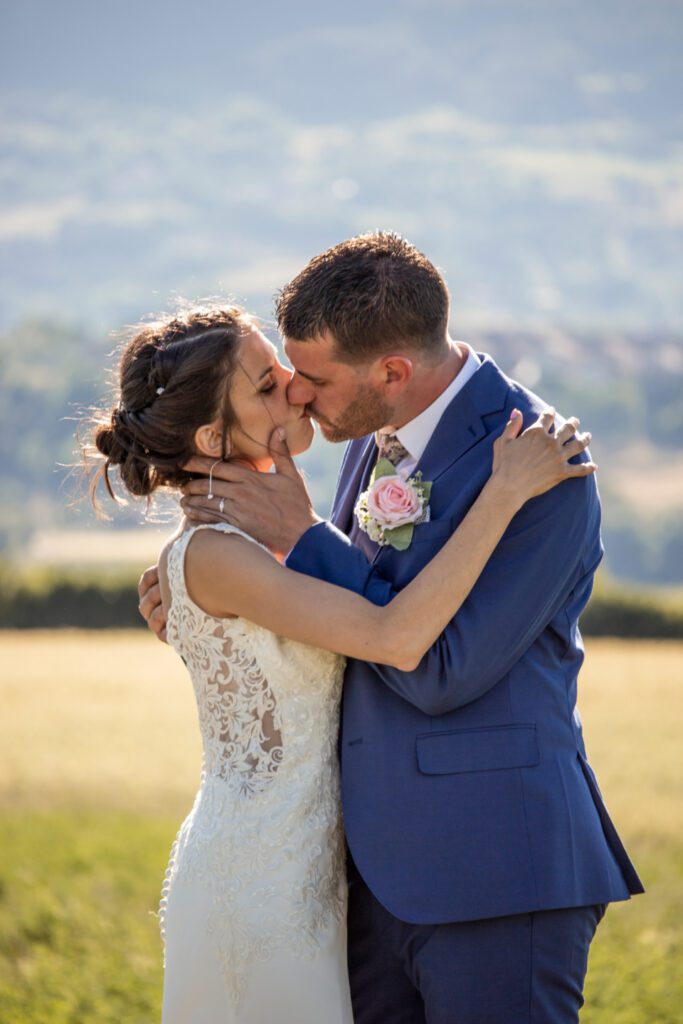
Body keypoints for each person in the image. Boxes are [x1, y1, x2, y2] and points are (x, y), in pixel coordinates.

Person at [139, 234, 644, 1024]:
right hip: (354, 880)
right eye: (283, 379)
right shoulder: (369, 428)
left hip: (493, 869)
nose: (299, 397)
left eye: (310, 379)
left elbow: (435, 668)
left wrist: (303, 536)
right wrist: (207, 597)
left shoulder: (539, 466)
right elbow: (340, 609)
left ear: (392, 372)